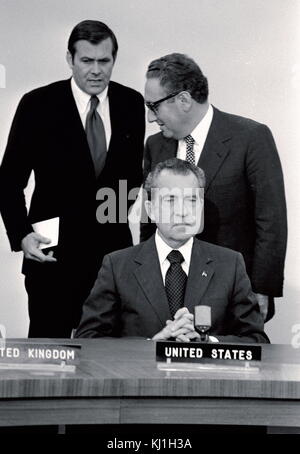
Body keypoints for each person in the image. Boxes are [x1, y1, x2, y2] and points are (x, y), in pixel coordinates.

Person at [0, 20, 145, 337]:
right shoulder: (37, 104)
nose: (96, 70)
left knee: (110, 363)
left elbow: (133, 181)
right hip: (52, 258)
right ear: (70, 59)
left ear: (114, 60)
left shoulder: (131, 104)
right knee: (48, 361)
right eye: (86, 61)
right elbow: (8, 180)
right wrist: (22, 234)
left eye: (104, 61)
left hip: (113, 260)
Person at [141, 53, 287, 322]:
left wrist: (262, 289)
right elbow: (149, 222)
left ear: (183, 100)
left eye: (154, 106)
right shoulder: (155, 147)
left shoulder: (251, 138)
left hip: (232, 294)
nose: (151, 118)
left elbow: (271, 220)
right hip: (170, 291)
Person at [75, 158, 268, 343]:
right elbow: (88, 338)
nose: (182, 211)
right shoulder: (117, 266)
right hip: (142, 375)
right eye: (170, 200)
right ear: (150, 210)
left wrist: (207, 341)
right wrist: (153, 343)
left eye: (192, 200)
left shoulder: (230, 264)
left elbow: (256, 340)